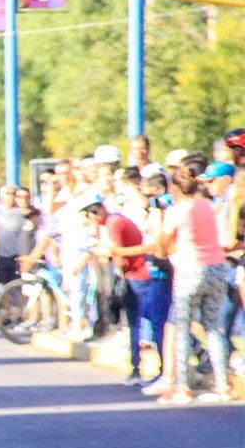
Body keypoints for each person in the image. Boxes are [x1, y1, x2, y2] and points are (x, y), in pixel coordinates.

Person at [155, 159, 231, 404]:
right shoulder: (207, 206)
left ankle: (183, 387)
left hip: (190, 268)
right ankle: (222, 385)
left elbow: (163, 246)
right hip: (216, 267)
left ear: (175, 188)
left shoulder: (175, 212)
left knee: (182, 326)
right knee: (214, 327)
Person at [78, 195, 170, 387]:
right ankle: (151, 369)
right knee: (149, 322)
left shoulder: (114, 223)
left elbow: (118, 253)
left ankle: (142, 369)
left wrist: (107, 252)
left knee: (144, 323)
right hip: (137, 275)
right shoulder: (115, 221)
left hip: (139, 276)